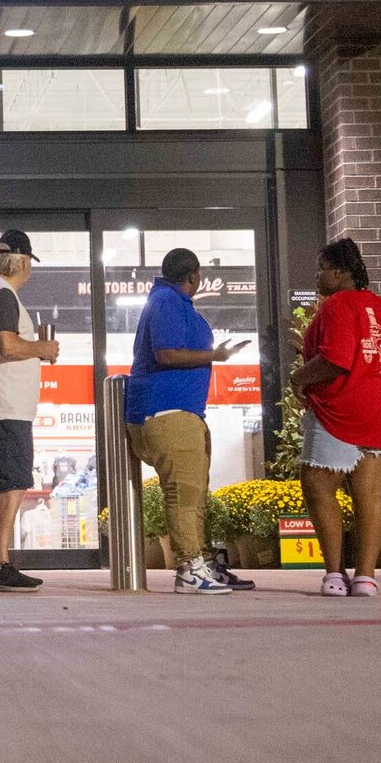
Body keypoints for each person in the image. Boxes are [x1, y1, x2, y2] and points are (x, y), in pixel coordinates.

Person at [125, 246, 249, 593]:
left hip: (177, 411)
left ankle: (203, 564)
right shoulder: (166, 301)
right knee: (182, 494)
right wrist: (215, 355)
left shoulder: (169, 301)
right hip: (167, 411)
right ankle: (189, 569)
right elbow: (165, 352)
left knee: (192, 494)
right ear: (194, 276)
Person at [294, 238, 381, 598]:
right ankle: (367, 577)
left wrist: (298, 378)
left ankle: (336, 575)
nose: (317, 275)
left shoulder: (337, 306)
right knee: (370, 493)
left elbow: (335, 359)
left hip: (341, 408)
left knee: (318, 485)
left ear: (339, 273)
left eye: (322, 268)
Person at [0, 229, 60, 593]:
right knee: (16, 480)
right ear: (22, 262)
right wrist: (42, 348)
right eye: (29, 265)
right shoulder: (2, 292)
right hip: (6, 403)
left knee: (3, 481)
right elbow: (5, 344)